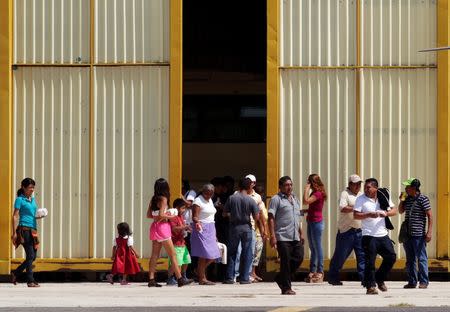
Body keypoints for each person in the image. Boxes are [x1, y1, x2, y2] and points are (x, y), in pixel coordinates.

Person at [354, 178, 397, 295]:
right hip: (368, 235)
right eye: (365, 188)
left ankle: (379, 278)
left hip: (382, 234)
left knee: (391, 257)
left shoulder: (384, 195)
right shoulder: (361, 199)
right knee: (370, 262)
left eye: (368, 187)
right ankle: (370, 286)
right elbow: (356, 215)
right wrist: (368, 214)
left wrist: (386, 213)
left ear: (375, 188)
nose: (366, 190)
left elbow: (394, 210)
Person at [147, 178, 191, 287]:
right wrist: (171, 215)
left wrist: (159, 216)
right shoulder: (163, 199)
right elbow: (162, 214)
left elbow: (149, 215)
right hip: (163, 228)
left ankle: (151, 279)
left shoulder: (153, 199)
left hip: (154, 227)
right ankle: (180, 279)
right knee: (173, 254)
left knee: (154, 255)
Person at [223, 178, 265, 284]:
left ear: (239, 186)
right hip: (247, 228)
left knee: (232, 252)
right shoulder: (251, 200)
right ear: (249, 187)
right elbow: (256, 217)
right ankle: (244, 278)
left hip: (234, 227)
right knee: (247, 253)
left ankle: (229, 277)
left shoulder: (232, 198)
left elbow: (224, 213)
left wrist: (233, 215)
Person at [268, 176, 304, 295]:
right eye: (287, 185)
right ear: (281, 187)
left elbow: (297, 218)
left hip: (295, 236)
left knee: (299, 257)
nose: (289, 187)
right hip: (282, 236)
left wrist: (301, 233)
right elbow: (271, 218)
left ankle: (280, 278)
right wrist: (272, 235)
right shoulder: (276, 199)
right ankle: (286, 288)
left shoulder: (295, 199)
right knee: (286, 262)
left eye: (291, 185)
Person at [328, 174, 365, 286]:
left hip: (359, 230)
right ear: (350, 184)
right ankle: (333, 277)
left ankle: (365, 279)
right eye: (355, 184)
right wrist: (356, 208)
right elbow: (343, 208)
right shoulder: (345, 194)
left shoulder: (362, 195)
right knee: (340, 255)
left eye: (359, 183)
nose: (358, 186)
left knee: (362, 256)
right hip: (346, 231)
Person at [399, 178, 432, 289]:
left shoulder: (423, 199)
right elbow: (400, 211)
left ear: (414, 188)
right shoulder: (407, 199)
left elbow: (430, 216)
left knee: (421, 258)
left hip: (418, 234)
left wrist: (429, 232)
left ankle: (424, 281)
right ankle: (412, 281)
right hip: (407, 235)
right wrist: (402, 200)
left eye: (407, 187)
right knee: (410, 259)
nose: (405, 189)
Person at [11, 178, 42, 287]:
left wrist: (39, 216)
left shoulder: (32, 200)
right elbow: (15, 216)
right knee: (30, 255)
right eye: (30, 188)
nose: (32, 190)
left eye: (33, 187)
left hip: (33, 230)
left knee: (33, 257)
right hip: (24, 230)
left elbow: (32, 215)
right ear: (23, 188)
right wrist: (14, 232)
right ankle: (30, 280)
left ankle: (16, 273)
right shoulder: (20, 199)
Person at [191, 184, 221, 285]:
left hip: (211, 229)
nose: (208, 195)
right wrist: (197, 223)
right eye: (206, 193)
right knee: (203, 255)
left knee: (214, 255)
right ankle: (202, 278)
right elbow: (195, 216)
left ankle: (199, 271)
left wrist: (215, 234)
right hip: (201, 228)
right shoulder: (198, 201)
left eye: (210, 194)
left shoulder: (210, 200)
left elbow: (211, 217)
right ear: (203, 191)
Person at [302, 174, 327, 283]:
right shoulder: (315, 193)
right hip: (311, 221)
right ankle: (312, 270)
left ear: (313, 182)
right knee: (312, 247)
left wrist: (306, 189)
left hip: (317, 222)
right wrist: (306, 211)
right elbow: (314, 207)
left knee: (317, 247)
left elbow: (305, 201)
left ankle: (320, 271)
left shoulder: (318, 193)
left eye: (308, 182)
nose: (307, 184)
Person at [246, 174, 268, 282]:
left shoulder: (261, 203)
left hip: (259, 232)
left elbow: (264, 218)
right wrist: (264, 230)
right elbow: (259, 218)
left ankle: (253, 273)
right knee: (251, 252)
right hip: (254, 230)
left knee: (257, 254)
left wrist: (264, 230)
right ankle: (249, 273)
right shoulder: (251, 199)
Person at [166, 198, 194, 286]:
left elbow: (182, 227)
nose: (184, 210)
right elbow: (174, 229)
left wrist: (186, 229)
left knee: (186, 260)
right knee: (176, 262)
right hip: (175, 243)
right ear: (177, 208)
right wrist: (184, 227)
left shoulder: (181, 217)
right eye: (182, 208)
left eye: (185, 208)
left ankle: (183, 276)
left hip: (182, 242)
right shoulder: (173, 217)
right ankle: (170, 278)